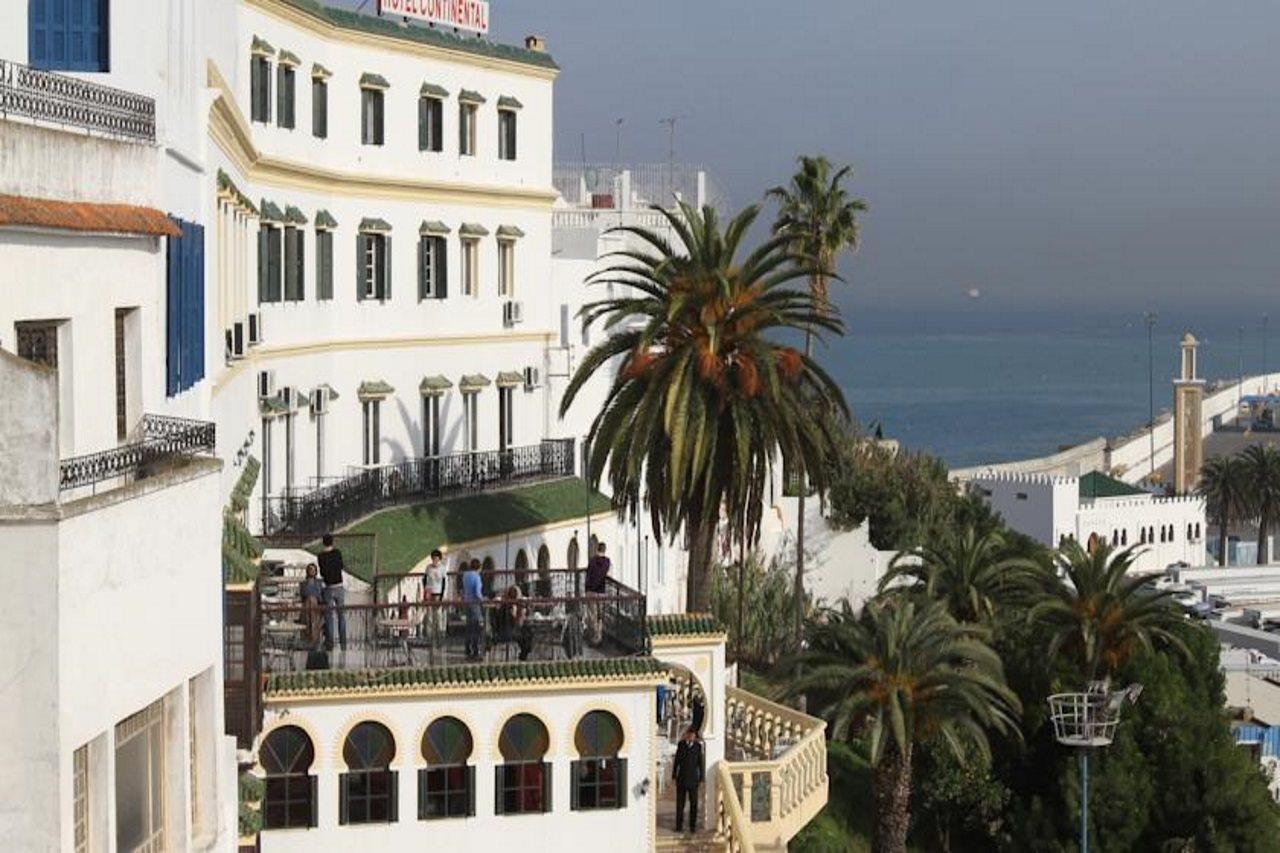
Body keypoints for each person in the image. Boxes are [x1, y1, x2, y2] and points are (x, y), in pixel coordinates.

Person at [317, 533, 347, 651]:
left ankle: (330, 644)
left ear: (323, 542)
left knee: (329, 617)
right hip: (339, 586)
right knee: (341, 616)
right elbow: (341, 566)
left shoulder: (321, 556)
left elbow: (323, 572)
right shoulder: (337, 553)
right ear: (332, 542)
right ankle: (343, 643)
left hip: (328, 588)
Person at [672, 727, 705, 834]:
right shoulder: (681, 745)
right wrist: (674, 775)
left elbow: (700, 763)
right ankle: (679, 826)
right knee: (680, 805)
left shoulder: (697, 747)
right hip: (681, 779)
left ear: (695, 736)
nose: (691, 736)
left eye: (693, 734)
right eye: (689, 734)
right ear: (686, 734)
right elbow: (676, 761)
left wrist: (701, 778)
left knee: (694, 804)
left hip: (693, 780)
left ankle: (692, 826)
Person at [584, 541, 611, 645]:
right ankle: (599, 637)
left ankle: (594, 638)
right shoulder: (607, 562)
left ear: (597, 550)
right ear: (605, 550)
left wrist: (586, 589)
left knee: (592, 616)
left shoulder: (592, 561)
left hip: (591, 591)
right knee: (600, 615)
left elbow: (588, 575)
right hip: (601, 591)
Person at [461, 557, 484, 661]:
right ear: (479, 567)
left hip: (467, 603)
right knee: (476, 627)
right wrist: (483, 600)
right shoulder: (477, 577)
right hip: (475, 604)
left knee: (468, 627)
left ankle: (467, 648)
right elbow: (477, 593)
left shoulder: (465, 575)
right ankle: (475, 650)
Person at [421, 548, 447, 637]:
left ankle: (439, 633)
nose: (435, 560)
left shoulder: (442, 568)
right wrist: (425, 589)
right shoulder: (428, 567)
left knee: (438, 615)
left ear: (439, 559)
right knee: (429, 614)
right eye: (433, 558)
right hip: (429, 591)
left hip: (438, 592)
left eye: (436, 558)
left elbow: (444, 582)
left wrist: (442, 595)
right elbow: (424, 579)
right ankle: (429, 634)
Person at [299, 563, 324, 648]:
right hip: (307, 606)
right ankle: (309, 639)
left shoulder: (319, 583)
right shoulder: (303, 584)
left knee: (312, 601)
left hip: (316, 606)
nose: (312, 571)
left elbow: (320, 596)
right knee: (310, 600)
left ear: (316, 571)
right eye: (310, 569)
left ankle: (313, 639)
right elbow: (303, 595)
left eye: (313, 570)